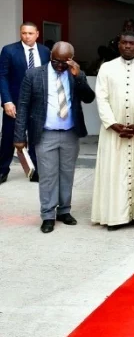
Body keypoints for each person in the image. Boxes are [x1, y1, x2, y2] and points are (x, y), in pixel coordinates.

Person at [14, 42, 95, 233]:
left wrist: (79, 77)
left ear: (71, 59)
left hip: (70, 133)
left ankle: (64, 211)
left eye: (64, 62)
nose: (59, 65)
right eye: (56, 61)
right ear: (51, 56)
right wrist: (19, 136)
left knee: (67, 174)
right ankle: (48, 215)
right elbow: (23, 106)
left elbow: (89, 98)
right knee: (48, 176)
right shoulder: (34, 75)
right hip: (45, 134)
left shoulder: (75, 74)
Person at [91, 31, 134, 231]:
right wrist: (112, 123)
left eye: (132, 43)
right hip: (114, 131)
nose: (128, 46)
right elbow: (101, 98)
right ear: (118, 45)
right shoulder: (107, 68)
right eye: (124, 43)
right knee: (114, 173)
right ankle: (115, 217)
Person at [0, 22, 50, 184]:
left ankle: (35, 171)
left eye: (30, 33)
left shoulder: (45, 51)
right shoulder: (9, 50)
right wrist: (7, 101)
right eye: (23, 33)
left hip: (38, 102)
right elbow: (2, 76)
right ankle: (2, 170)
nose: (27, 36)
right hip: (15, 102)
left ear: (37, 34)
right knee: (9, 136)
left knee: (36, 136)